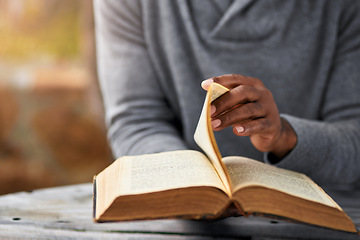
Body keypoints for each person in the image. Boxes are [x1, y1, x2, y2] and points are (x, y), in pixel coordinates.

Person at [93, 0, 360, 184]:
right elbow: (136, 123)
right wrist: (190, 182)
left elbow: (355, 140)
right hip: (185, 218)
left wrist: (284, 137)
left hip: (321, 214)